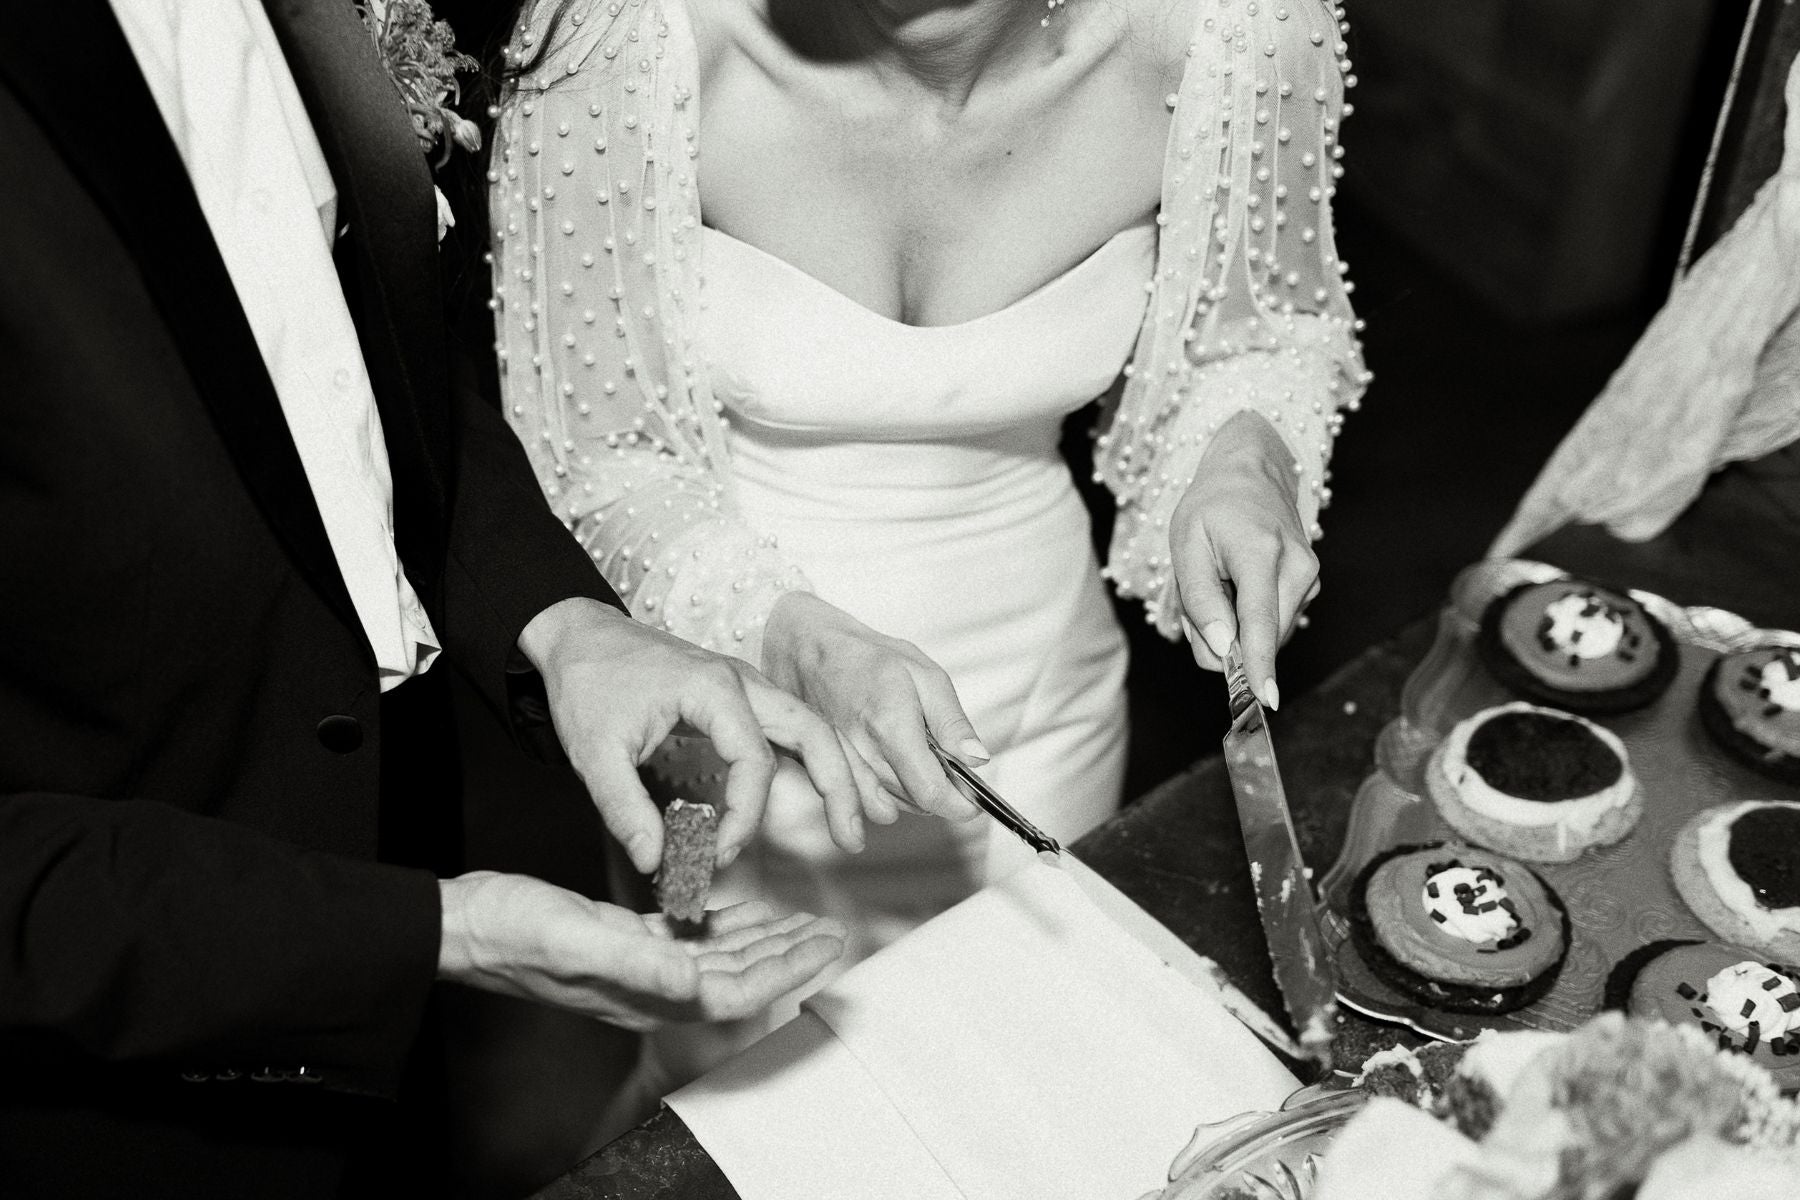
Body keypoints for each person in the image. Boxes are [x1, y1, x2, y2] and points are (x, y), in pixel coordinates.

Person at [0, 1, 864, 1195]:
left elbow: (364, 371)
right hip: (99, 1082)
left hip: (406, 969)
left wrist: (568, 626)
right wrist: (445, 936)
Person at [489, 0, 1367, 1103]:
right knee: (716, 1069)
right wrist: (794, 645)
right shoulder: (617, 34)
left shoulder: (1239, 28)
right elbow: (593, 449)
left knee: (1015, 1070)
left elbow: (1263, 331)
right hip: (703, 731)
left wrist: (1241, 454)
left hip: (1039, 723)